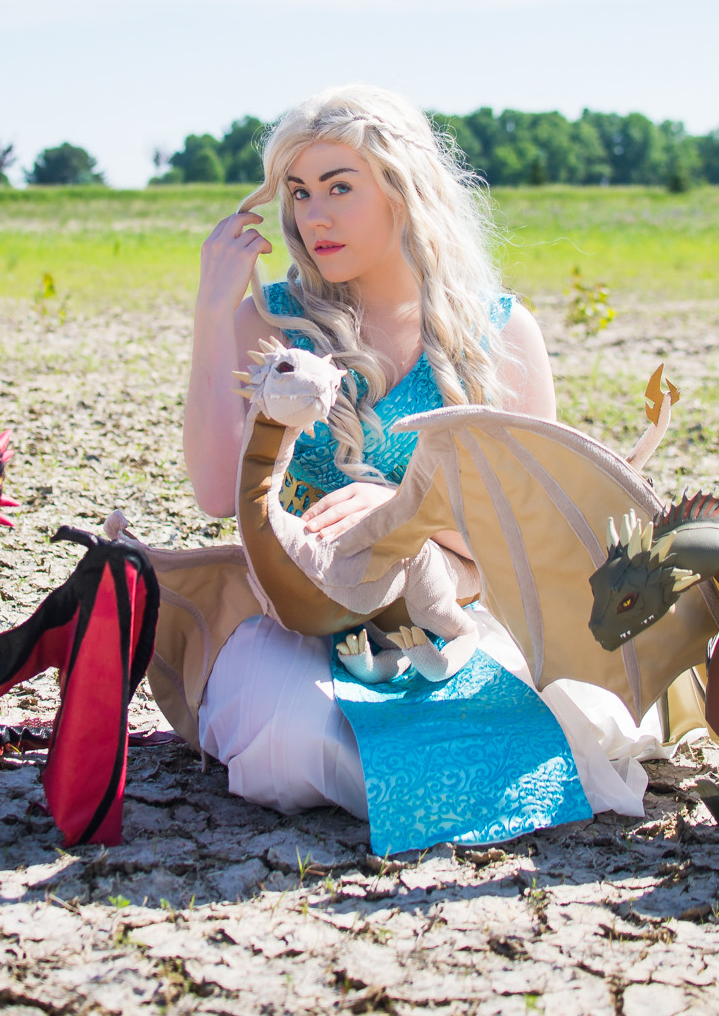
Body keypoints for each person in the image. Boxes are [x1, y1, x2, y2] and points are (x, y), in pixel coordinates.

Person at [181, 85, 662, 828]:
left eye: (340, 187)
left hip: (455, 613)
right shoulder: (270, 320)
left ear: (402, 190)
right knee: (291, 741)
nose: (314, 216)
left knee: (564, 722)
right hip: (302, 616)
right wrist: (213, 314)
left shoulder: (501, 333)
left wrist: (406, 516)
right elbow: (220, 494)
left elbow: (532, 541)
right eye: (300, 192)